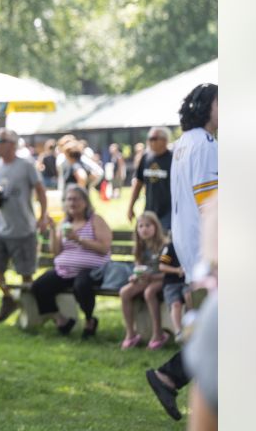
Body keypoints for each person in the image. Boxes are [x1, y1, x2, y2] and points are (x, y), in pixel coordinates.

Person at [146, 83, 218, 421]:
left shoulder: (182, 145)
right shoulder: (205, 144)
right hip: (209, 247)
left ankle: (169, 377)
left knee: (216, 326)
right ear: (207, 107)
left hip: (189, 246)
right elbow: (211, 204)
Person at [0, 129, 50, 323]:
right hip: (0, 227)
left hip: (24, 228)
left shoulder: (26, 166)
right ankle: (9, 298)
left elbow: (40, 190)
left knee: (26, 273)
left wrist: (43, 216)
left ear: (12, 144)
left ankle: (29, 313)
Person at [28, 184, 111, 338]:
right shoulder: (65, 223)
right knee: (39, 286)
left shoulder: (95, 220)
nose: (72, 203)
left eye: (76, 199)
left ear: (85, 202)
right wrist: (53, 229)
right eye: (69, 199)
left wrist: (79, 239)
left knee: (82, 285)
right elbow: (57, 251)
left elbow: (104, 247)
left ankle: (89, 320)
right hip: (65, 271)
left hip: (93, 270)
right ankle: (61, 320)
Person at [119, 211, 169, 349]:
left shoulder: (164, 247)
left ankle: (158, 333)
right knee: (124, 292)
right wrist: (135, 277)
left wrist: (152, 277)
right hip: (146, 278)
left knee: (149, 292)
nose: (144, 229)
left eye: (148, 225)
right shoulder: (140, 247)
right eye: (140, 226)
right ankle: (131, 333)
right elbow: (138, 267)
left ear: (156, 227)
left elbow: (167, 272)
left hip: (161, 278)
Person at [128, 126, 174, 229]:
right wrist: (131, 207)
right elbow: (138, 183)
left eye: (153, 138)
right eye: (149, 138)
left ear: (164, 140)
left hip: (169, 212)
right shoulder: (146, 157)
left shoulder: (173, 159)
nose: (149, 141)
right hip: (150, 210)